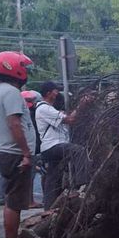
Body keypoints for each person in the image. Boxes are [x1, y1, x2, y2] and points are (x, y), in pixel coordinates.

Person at [0, 51, 41, 238]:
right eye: (24, 68)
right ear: (14, 69)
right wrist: (27, 153)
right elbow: (14, 124)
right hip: (14, 153)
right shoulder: (11, 93)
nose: (26, 73)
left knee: (15, 201)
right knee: (14, 202)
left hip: (7, 151)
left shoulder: (0, 92)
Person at [36, 81, 91, 209]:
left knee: (53, 178)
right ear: (49, 93)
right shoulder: (44, 108)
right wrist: (81, 105)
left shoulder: (49, 109)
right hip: (53, 146)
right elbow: (70, 120)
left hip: (51, 147)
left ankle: (49, 209)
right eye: (55, 90)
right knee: (79, 151)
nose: (57, 93)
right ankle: (82, 184)